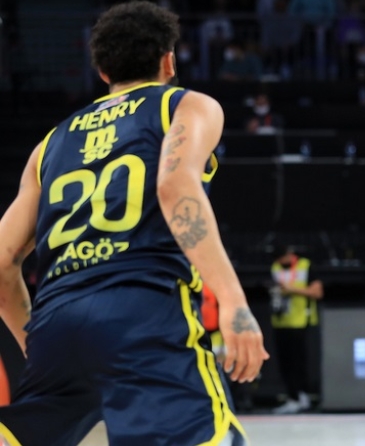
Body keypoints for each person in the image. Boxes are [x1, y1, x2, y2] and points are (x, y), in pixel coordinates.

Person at [0, 2, 268, 444]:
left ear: (103, 72)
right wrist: (235, 304)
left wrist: (38, 344)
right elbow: (175, 188)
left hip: (56, 318)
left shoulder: (48, 144)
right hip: (143, 309)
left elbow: (3, 261)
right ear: (169, 61)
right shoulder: (186, 105)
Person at [269, 244, 324, 414]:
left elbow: (317, 292)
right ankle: (292, 397)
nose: (280, 261)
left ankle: (303, 396)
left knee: (300, 362)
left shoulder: (305, 265)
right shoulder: (275, 267)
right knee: (285, 362)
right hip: (281, 321)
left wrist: (291, 289)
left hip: (301, 321)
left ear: (289, 254)